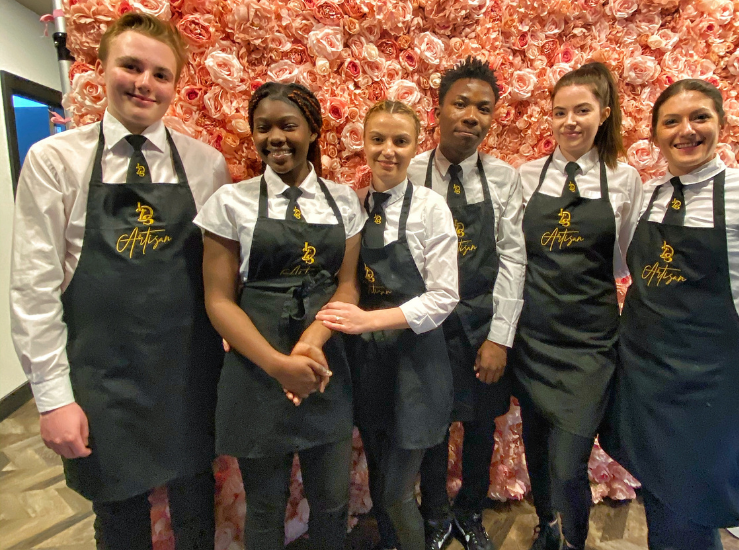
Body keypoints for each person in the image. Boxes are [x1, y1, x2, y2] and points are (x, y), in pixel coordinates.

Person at [10, 12, 230, 550]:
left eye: (161, 74)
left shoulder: (207, 166)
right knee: (121, 524)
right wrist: (52, 398)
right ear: (102, 68)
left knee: (197, 511)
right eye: (131, 66)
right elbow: (33, 290)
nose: (144, 84)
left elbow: (221, 277)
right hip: (102, 380)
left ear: (176, 84)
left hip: (189, 374)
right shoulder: (54, 160)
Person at [601, 79, 739, 550]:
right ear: (655, 134)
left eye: (700, 118)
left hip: (710, 380)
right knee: (659, 492)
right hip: (645, 374)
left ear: (720, 124)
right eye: (671, 121)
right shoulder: (650, 193)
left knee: (696, 503)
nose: (686, 131)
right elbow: (624, 267)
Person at [195, 82, 364, 549]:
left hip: (323, 362)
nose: (275, 137)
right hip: (256, 367)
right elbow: (219, 300)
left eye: (288, 126)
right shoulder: (230, 203)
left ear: (312, 131)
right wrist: (278, 364)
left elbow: (347, 286)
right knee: (265, 505)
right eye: (263, 127)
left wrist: (309, 345)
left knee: (331, 499)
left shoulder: (345, 200)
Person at [315, 100, 459, 550]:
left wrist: (367, 320)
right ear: (363, 142)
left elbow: (443, 298)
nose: (388, 150)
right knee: (379, 480)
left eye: (400, 140)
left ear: (418, 146)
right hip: (368, 362)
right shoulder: (355, 206)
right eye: (378, 139)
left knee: (398, 494)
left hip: (417, 365)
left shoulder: (432, 208)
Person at [511, 62, 643, 550]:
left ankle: (573, 541)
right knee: (538, 448)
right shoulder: (526, 177)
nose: (569, 121)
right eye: (559, 112)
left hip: (590, 343)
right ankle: (547, 525)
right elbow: (515, 258)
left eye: (582, 110)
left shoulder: (624, 179)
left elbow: (629, 260)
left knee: (569, 462)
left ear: (603, 114)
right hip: (535, 335)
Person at [407, 56, 526, 550]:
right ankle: (434, 514)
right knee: (433, 423)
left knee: (480, 426)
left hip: (482, 321)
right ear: (438, 110)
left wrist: (500, 336)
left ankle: (471, 511)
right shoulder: (410, 169)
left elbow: (514, 257)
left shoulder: (503, 177)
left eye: (484, 107)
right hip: (428, 323)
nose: (472, 116)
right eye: (460, 104)